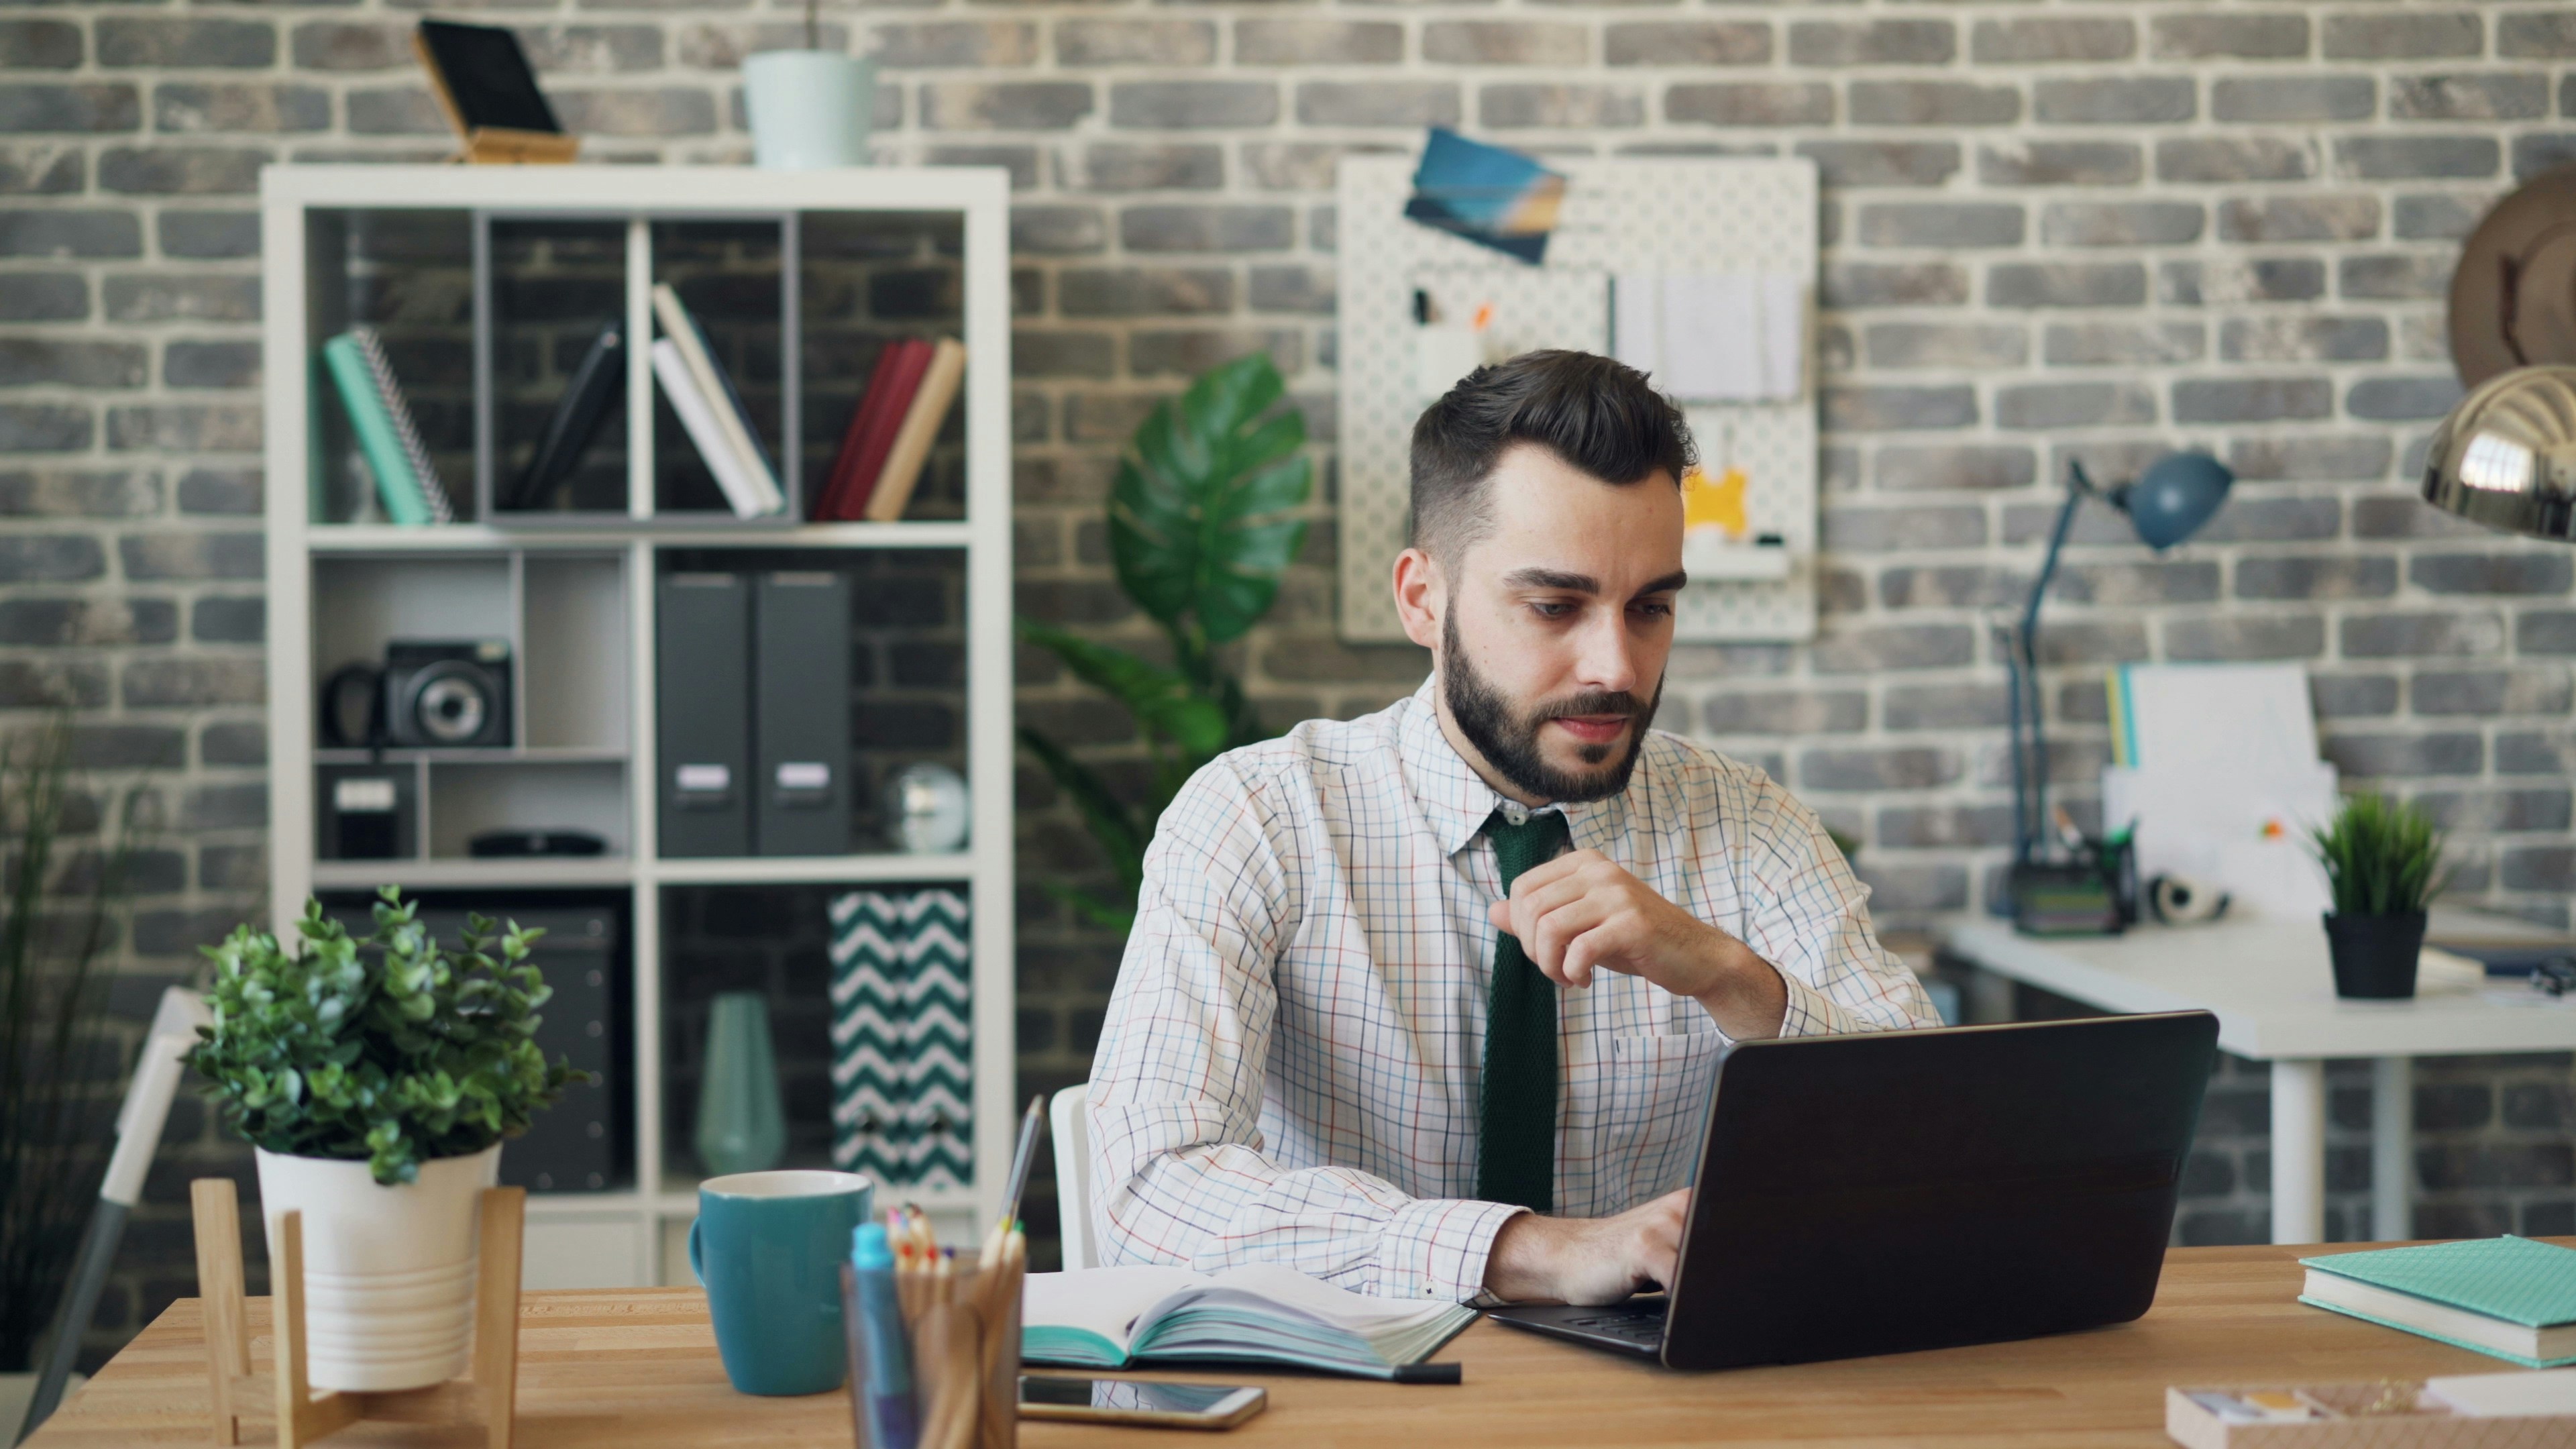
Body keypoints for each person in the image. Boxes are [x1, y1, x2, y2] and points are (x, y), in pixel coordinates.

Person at [1085, 350, 1939, 1307]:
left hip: (1662, 1409)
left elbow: (1934, 1142)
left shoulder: (1750, 827)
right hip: (1353, 1400)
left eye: (1651, 606)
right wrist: (1530, 1251)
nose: (1615, 664)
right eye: (1555, 606)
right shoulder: (1262, 817)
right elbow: (1149, 1194)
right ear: (1423, 599)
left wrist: (1729, 977)